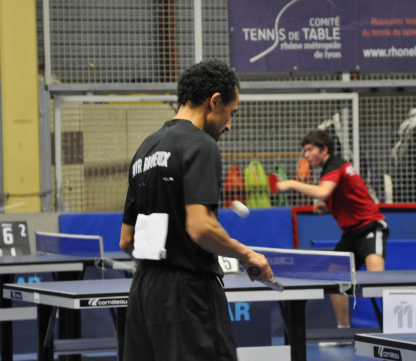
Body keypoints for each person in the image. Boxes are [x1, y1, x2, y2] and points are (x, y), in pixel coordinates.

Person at [119, 59, 273, 361]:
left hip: (143, 293)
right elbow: (201, 228)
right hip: (189, 295)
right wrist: (247, 255)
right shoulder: (201, 145)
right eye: (231, 113)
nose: (229, 124)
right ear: (214, 101)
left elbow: (126, 240)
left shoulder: (144, 149)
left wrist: (162, 265)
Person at [274, 129, 388, 328]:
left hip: (371, 227)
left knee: (377, 280)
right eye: (305, 150)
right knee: (336, 277)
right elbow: (344, 194)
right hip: (351, 234)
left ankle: (393, 328)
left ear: (324, 150)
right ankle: (343, 330)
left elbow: (323, 191)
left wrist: (291, 183)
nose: (306, 155)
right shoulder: (331, 169)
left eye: (310, 150)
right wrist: (327, 206)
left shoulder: (335, 165)